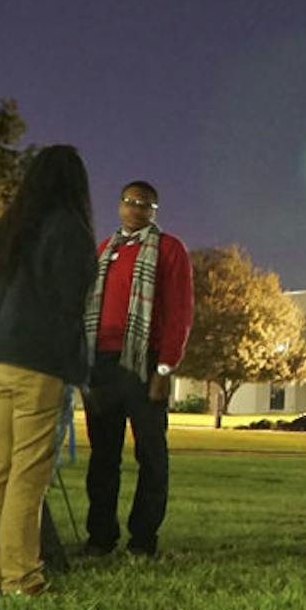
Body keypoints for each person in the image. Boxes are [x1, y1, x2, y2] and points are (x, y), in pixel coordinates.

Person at [0, 145, 96, 597]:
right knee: (28, 472)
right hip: (36, 362)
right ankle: (21, 579)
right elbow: (70, 305)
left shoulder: (8, 229)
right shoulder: (70, 231)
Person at [80, 180, 194, 558]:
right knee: (103, 456)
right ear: (118, 206)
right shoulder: (104, 250)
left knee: (151, 454)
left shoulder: (169, 249)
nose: (134, 209)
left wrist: (164, 367)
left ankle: (143, 540)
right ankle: (100, 538)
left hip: (144, 362)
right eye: (128, 201)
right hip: (104, 364)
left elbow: (180, 311)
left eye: (143, 204)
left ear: (153, 211)